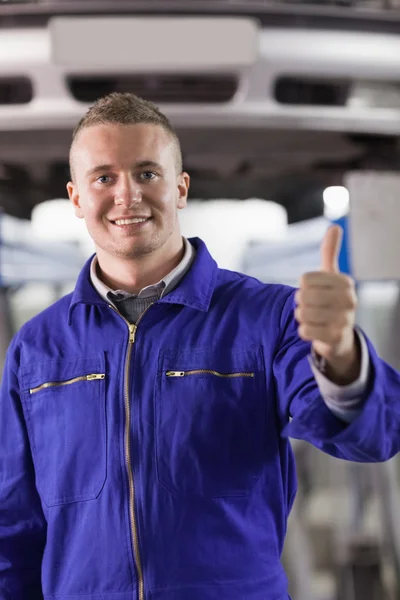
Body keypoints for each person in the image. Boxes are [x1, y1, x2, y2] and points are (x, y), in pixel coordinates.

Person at [0, 92, 399, 600]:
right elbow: (13, 525)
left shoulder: (270, 317)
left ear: (180, 188)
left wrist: (341, 355)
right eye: (104, 177)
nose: (127, 195)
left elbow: (371, 436)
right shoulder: (37, 346)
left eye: (147, 173)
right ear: (77, 198)